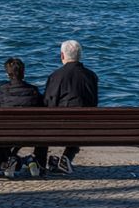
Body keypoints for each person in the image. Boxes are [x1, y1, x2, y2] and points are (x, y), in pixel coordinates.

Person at [40, 39, 98, 175]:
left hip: (59, 126)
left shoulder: (56, 76)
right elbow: (93, 102)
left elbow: (49, 103)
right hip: (85, 126)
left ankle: (40, 162)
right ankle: (67, 156)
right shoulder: (91, 76)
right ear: (80, 55)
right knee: (80, 120)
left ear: (62, 55)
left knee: (43, 123)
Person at [0, 57, 43, 178]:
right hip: (32, 134)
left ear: (7, 73)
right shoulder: (34, 91)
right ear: (23, 73)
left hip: (5, 133)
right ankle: (32, 161)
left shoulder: (0, 91)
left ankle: (9, 160)